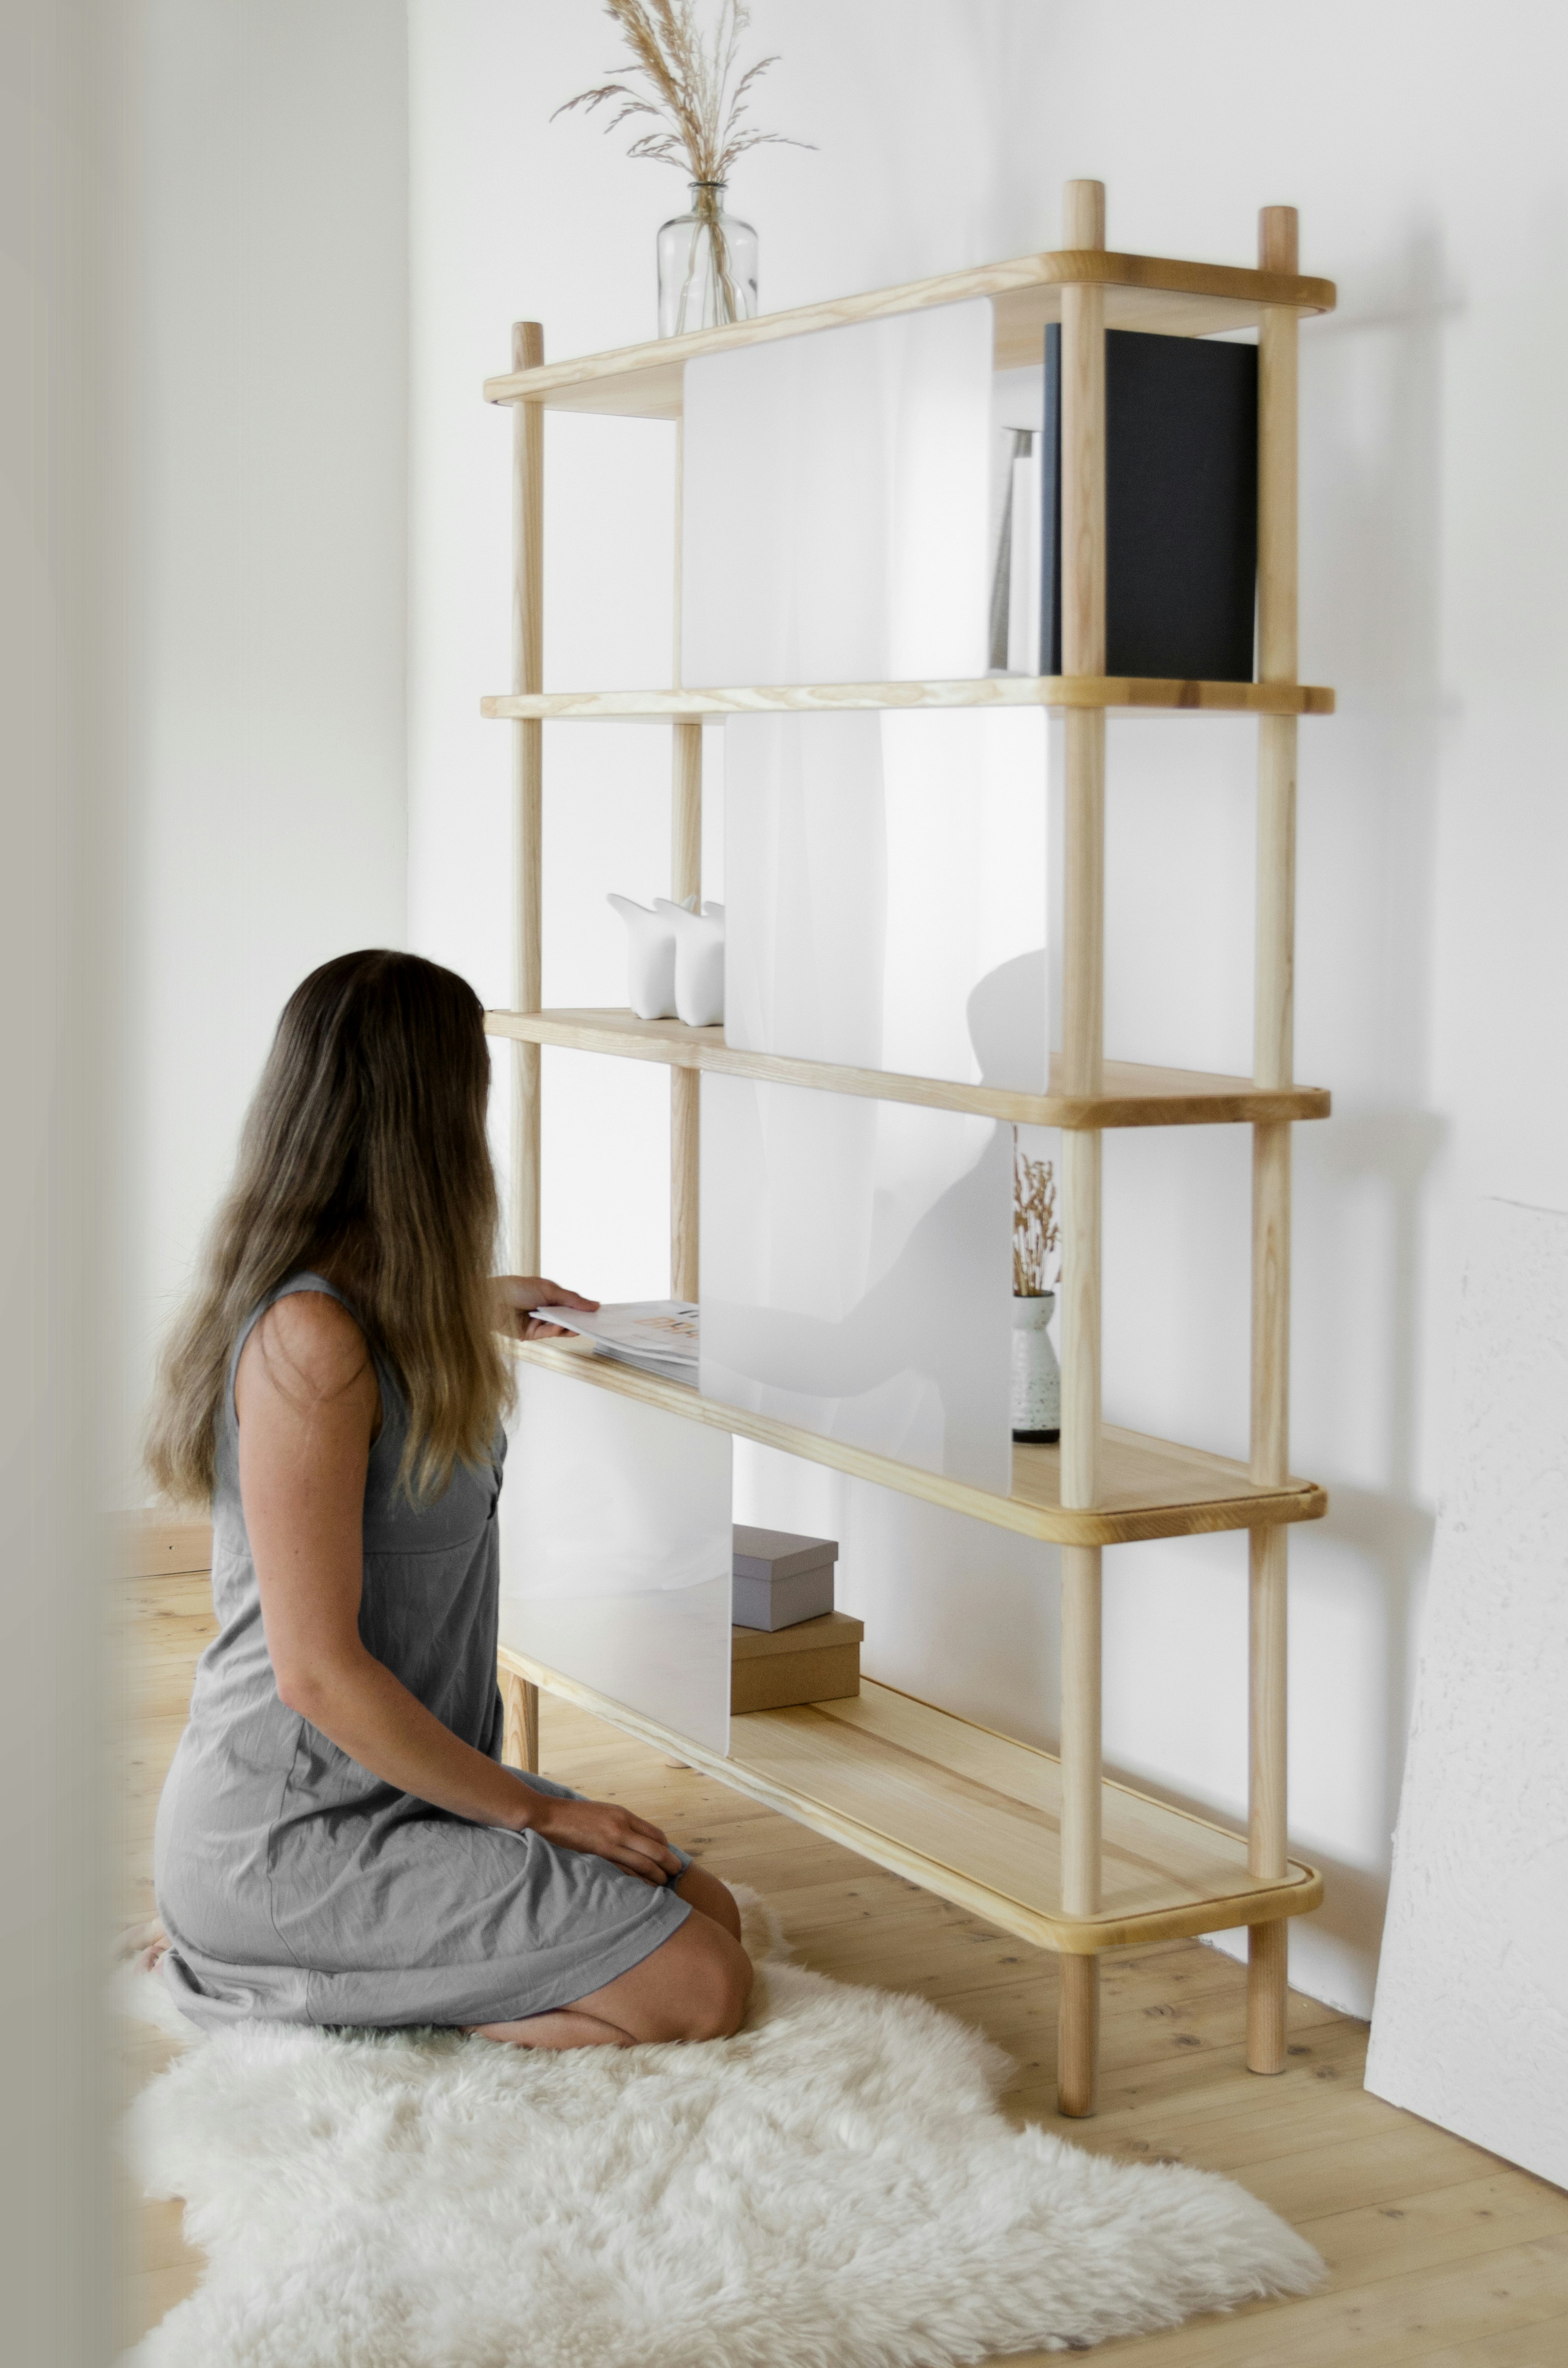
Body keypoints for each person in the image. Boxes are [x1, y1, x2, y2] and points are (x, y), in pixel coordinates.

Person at [143, 948, 751, 2050]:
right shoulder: (311, 1346)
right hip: (292, 1832)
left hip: (408, 1790)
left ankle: (344, 1975)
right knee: (701, 1986)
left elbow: (392, 1311)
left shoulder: (384, 1309)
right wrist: (541, 1810)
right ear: (431, 1115)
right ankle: (277, 1984)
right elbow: (315, 1672)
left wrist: (477, 1297)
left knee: (704, 1907)